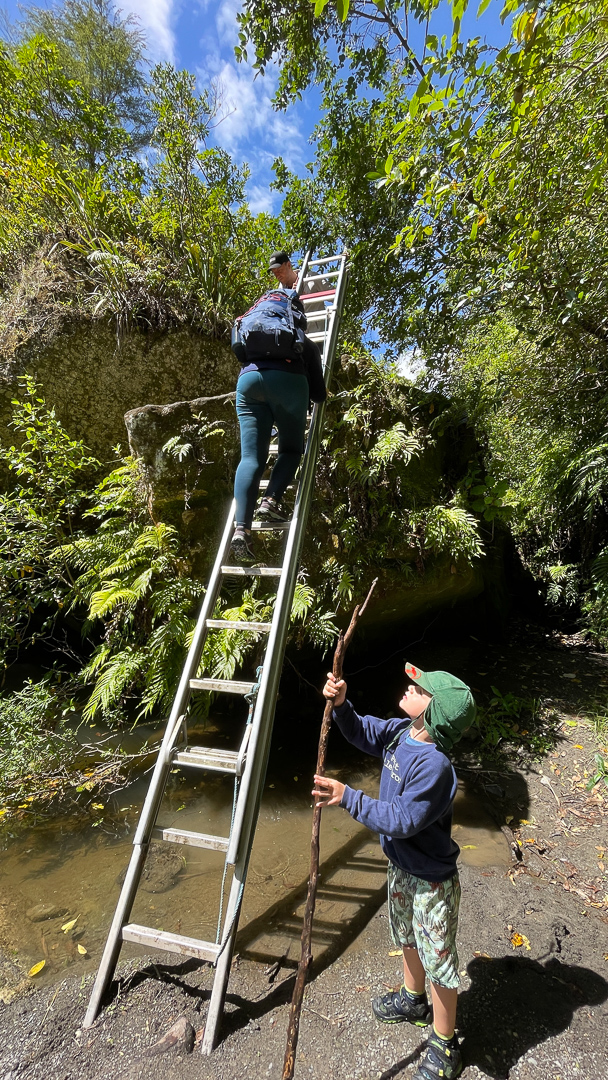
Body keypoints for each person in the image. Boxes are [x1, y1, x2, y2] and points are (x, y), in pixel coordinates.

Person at [313, 662, 476, 1080]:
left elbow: (401, 819)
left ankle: (445, 1043)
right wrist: (343, 706)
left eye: (420, 689)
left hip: (431, 880)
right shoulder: (404, 732)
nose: (410, 687)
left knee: (439, 960)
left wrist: (349, 797)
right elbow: (364, 732)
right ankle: (412, 998)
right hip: (402, 866)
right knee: (406, 935)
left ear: (434, 712)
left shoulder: (435, 767)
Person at [231, 251, 327, 562]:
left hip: (248, 381)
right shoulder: (299, 336)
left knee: (250, 459)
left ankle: (241, 530)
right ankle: (270, 501)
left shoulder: (252, 322)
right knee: (290, 449)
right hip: (288, 381)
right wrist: (315, 394)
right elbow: (318, 391)